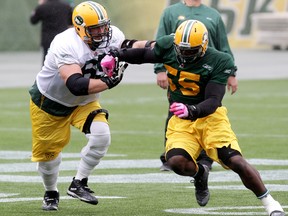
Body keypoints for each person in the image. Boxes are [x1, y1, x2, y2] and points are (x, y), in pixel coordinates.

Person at [100, 20, 286, 216]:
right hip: (181, 120)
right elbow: (146, 55)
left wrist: (192, 110)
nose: (184, 54)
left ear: (203, 46)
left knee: (236, 162)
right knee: (176, 162)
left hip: (211, 118)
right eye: (181, 49)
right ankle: (200, 173)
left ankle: (271, 204)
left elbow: (214, 100)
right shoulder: (169, 45)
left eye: (191, 50)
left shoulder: (220, 60)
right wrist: (117, 55)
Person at [29, 1, 134, 211]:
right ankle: (51, 192)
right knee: (49, 157)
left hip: (84, 102)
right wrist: (108, 82)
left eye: (104, 26)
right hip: (50, 102)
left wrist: (159, 49)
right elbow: (75, 85)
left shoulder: (112, 35)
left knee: (102, 135)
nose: (102, 32)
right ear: (80, 28)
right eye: (95, 28)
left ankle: (79, 183)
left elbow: (135, 48)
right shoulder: (65, 43)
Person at [154, 0, 238, 172]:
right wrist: (160, 69)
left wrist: (231, 73)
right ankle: (169, 154)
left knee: (209, 109)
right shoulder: (171, 12)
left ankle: (206, 158)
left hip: (209, 71)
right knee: (176, 111)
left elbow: (222, 44)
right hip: (181, 72)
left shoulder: (213, 14)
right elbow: (160, 43)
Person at [30, 0, 73, 64]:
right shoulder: (66, 6)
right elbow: (71, 23)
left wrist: (38, 6)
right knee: (65, 62)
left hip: (48, 40)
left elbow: (33, 20)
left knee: (47, 63)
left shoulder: (42, 7)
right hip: (63, 39)